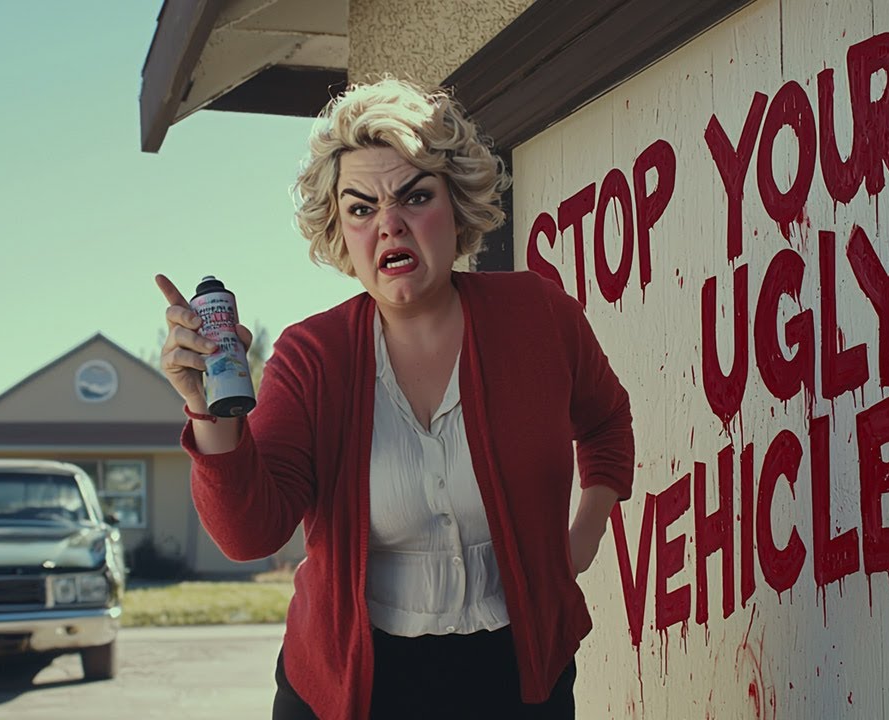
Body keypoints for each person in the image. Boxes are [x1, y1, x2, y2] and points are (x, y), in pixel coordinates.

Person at [154, 78, 634, 720]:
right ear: (340, 232)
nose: (389, 225)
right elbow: (251, 533)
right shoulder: (312, 357)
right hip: (356, 684)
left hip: (518, 676)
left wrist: (585, 534)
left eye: (415, 196)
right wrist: (209, 414)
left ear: (456, 204)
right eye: (361, 208)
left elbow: (606, 420)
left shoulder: (539, 316)